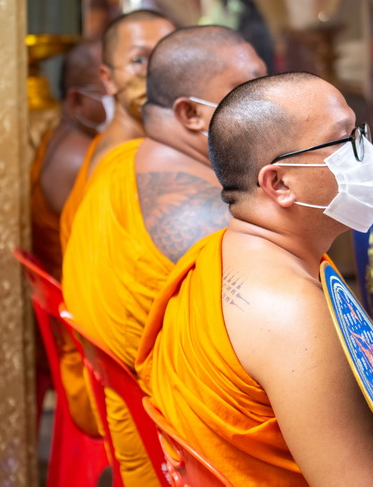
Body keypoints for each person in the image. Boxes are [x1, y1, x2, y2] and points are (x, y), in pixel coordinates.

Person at [137, 72, 373, 486]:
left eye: (359, 132)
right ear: (279, 183)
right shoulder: (291, 316)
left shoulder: (220, 251)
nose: (365, 154)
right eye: (344, 140)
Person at [62, 26, 266, 486]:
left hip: (134, 442)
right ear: (191, 113)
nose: (270, 104)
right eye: (247, 91)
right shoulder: (213, 220)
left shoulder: (120, 161)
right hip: (188, 463)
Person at [59, 10, 175, 251]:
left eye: (170, 56)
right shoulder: (129, 161)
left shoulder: (143, 146)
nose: (159, 71)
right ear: (108, 79)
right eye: (139, 60)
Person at [30, 39, 108, 281]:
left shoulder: (61, 133)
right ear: (77, 100)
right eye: (112, 91)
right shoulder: (81, 157)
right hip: (72, 291)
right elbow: (107, 248)